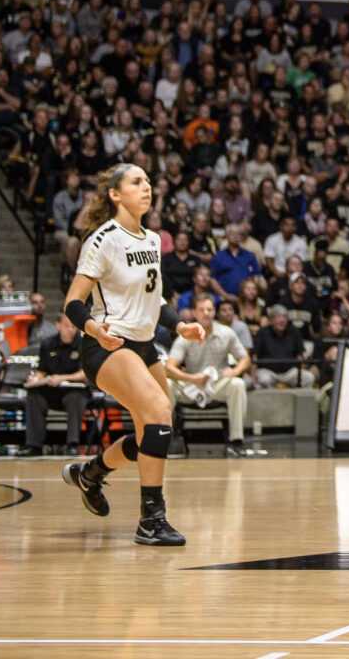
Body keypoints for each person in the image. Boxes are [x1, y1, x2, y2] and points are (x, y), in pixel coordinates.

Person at [60, 164, 205, 546]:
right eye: (137, 182)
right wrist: (93, 328)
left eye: (148, 182)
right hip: (107, 343)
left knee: (156, 430)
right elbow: (73, 303)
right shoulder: (103, 239)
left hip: (142, 344)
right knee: (158, 412)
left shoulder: (153, 240)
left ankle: (91, 473)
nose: (147, 187)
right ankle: (151, 520)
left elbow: (155, 299)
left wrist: (180, 327)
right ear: (115, 194)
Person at [165, 295, 251, 456]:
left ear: (214, 312)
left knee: (237, 384)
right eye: (202, 309)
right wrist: (191, 378)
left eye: (210, 309)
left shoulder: (227, 333)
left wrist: (234, 371)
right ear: (194, 313)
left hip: (216, 385)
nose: (206, 313)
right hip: (191, 385)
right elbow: (169, 368)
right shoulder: (186, 334)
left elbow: (245, 358)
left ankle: (236, 441)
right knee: (167, 383)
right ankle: (168, 437)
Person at [22, 312, 88, 455]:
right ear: (58, 326)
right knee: (34, 394)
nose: (70, 329)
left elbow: (85, 374)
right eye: (67, 326)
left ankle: (72, 444)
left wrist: (62, 378)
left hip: (76, 389)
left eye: (73, 326)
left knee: (74, 398)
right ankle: (34, 445)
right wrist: (35, 379)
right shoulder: (47, 344)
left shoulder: (84, 343)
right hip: (52, 389)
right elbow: (42, 370)